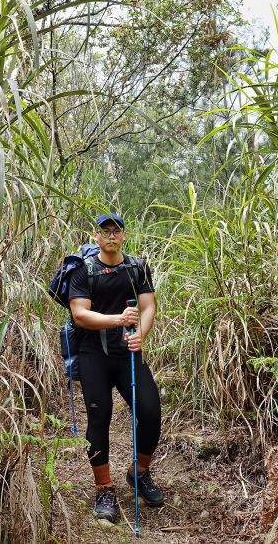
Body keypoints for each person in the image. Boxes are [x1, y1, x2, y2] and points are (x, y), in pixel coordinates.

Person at [68, 213, 164, 524]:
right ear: (96, 236)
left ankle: (138, 473)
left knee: (150, 410)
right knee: (99, 415)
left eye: (116, 231)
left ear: (124, 235)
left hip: (127, 355)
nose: (111, 236)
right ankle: (103, 489)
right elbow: (80, 314)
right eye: (105, 231)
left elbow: (148, 306)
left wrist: (140, 335)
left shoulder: (136, 267)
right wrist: (118, 321)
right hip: (93, 353)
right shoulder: (84, 269)